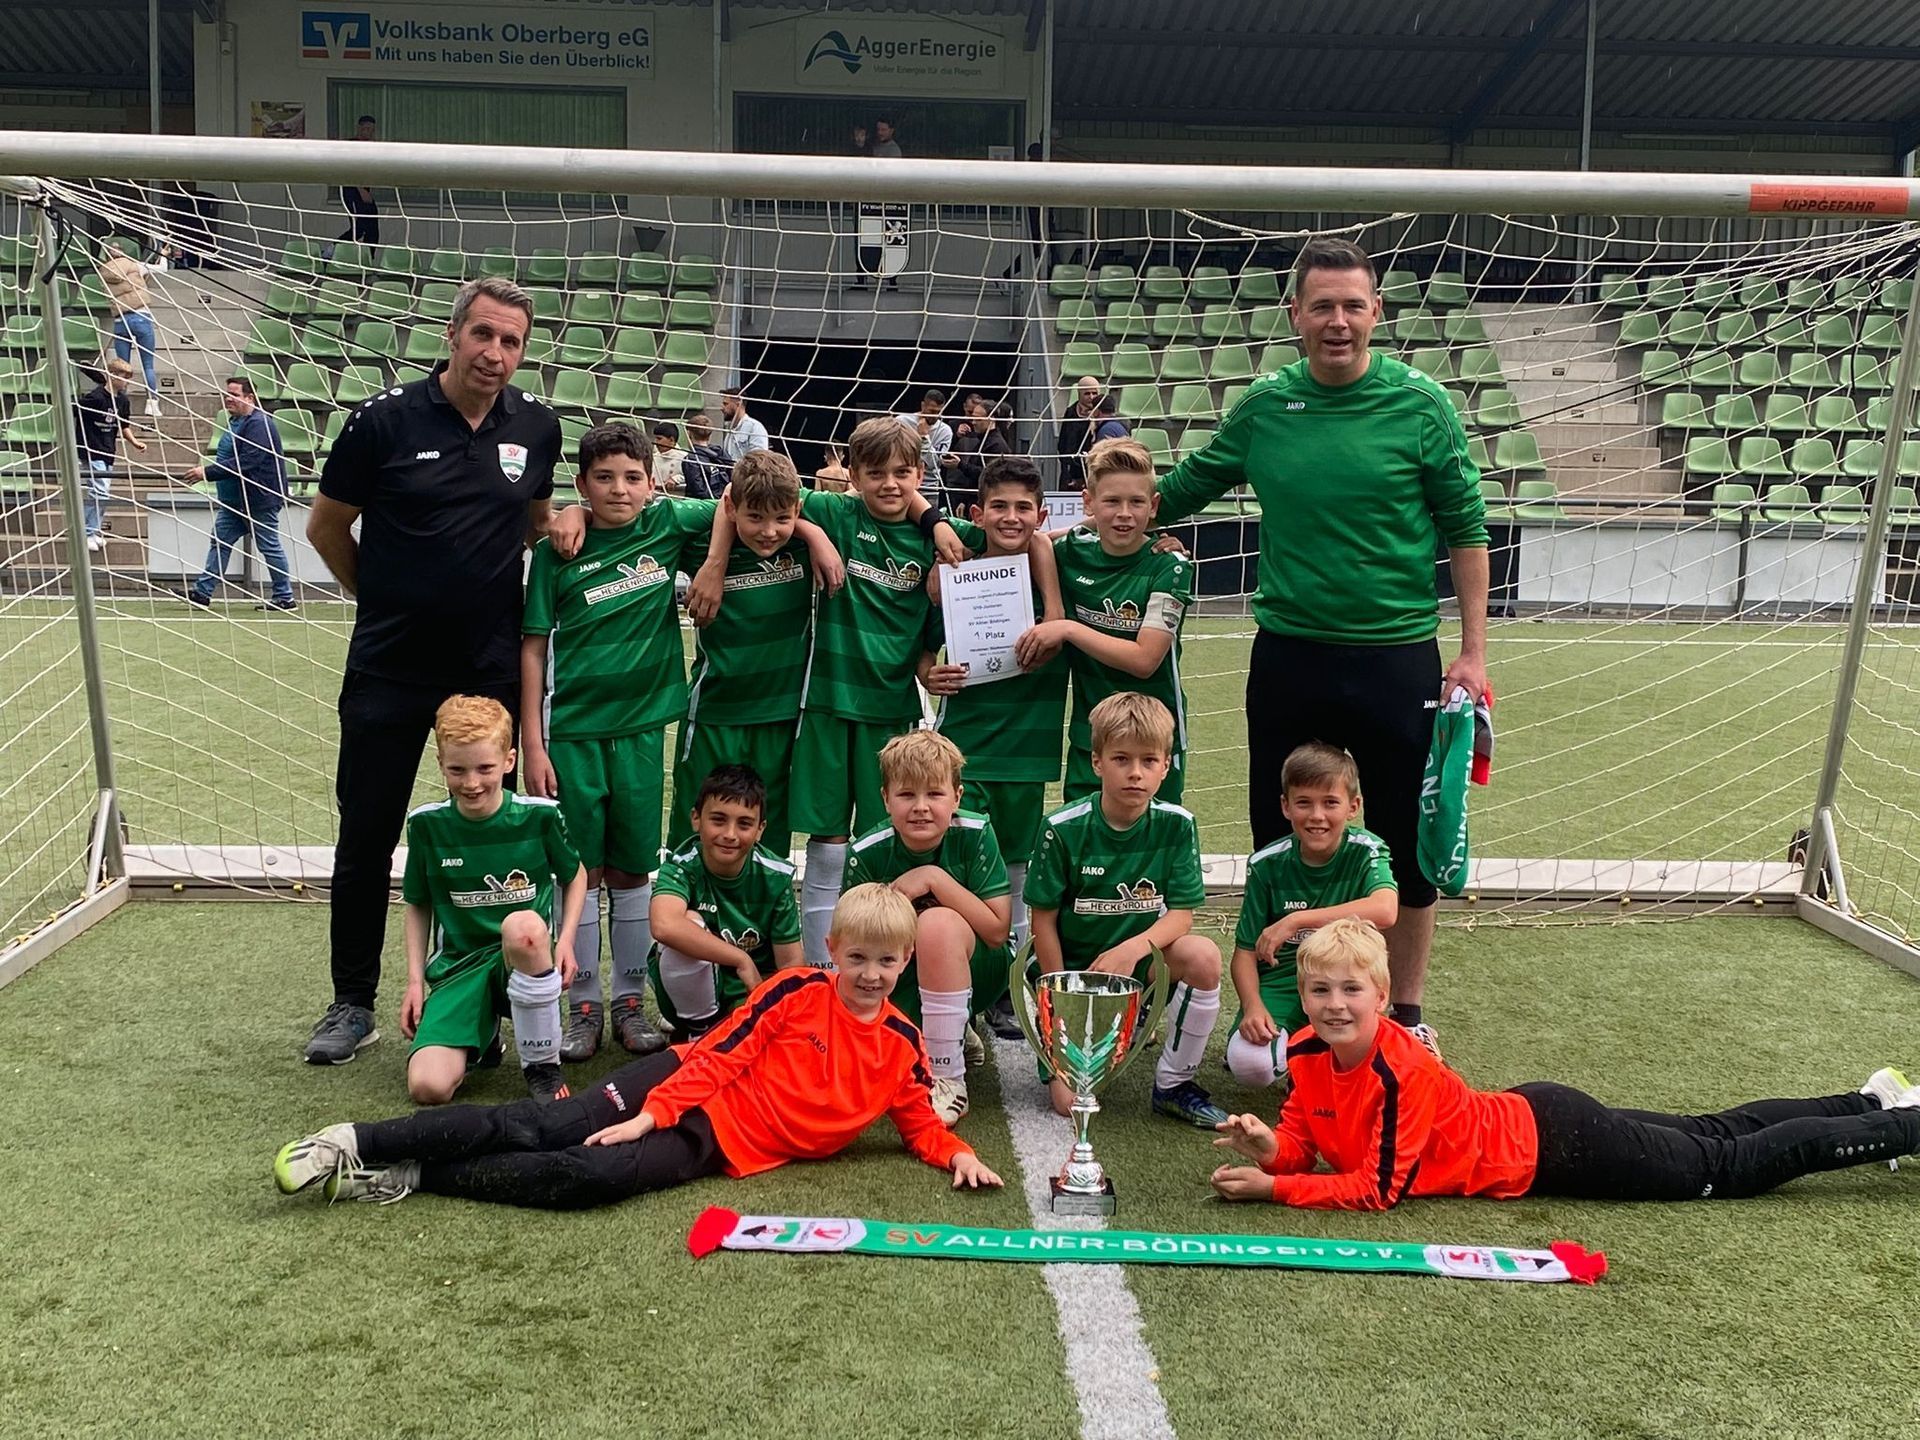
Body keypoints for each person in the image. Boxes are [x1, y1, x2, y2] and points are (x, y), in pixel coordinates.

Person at [1154, 236, 1489, 1052]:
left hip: (1396, 656)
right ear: (1296, 315)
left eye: (1352, 306)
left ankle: (1405, 1015)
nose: (1338, 321)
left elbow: (1466, 527)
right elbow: (1182, 488)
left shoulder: (1422, 404)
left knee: (1407, 846)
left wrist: (1473, 652)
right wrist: (1076, 525)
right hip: (1291, 655)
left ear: (1377, 312)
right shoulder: (1267, 405)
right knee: (1281, 841)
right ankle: (1287, 1012)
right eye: (1322, 307)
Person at [271, 885, 1005, 1209]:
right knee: (550, 1125)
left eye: (887, 962)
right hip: (683, 1084)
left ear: (906, 962)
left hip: (722, 1142)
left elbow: (918, 1121)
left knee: (591, 1177)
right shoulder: (794, 991)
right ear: (834, 950)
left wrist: (958, 1156)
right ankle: (351, 1141)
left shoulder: (903, 1044)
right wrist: (651, 1114)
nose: (871, 974)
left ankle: (412, 1176)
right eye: (858, 958)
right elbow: (719, 1056)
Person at [1208, 918, 1920, 1209]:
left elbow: (1376, 1189)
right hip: (1537, 1116)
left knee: (1726, 1165)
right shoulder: (1305, 1051)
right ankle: (1871, 1101)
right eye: (1320, 991)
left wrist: (1274, 1190)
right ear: (1303, 995)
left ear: (1383, 997)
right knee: (1714, 1131)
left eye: (1351, 990)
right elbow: (1309, 1139)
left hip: (1558, 1146)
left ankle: (1905, 1125)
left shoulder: (1401, 1068)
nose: (1334, 1005)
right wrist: (1271, 1149)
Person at [303, 276, 561, 1066]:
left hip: (486, 671)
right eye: (482, 334)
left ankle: (481, 997)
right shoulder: (382, 421)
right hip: (389, 668)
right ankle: (352, 1003)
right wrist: (382, 599)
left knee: (492, 836)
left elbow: (534, 524)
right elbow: (325, 529)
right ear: (452, 335)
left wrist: (570, 522)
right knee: (368, 833)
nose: (494, 353)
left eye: (510, 341)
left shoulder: (538, 427)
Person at [520, 422, 734, 1063]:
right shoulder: (557, 553)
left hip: (641, 730)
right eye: (604, 478)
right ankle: (583, 1003)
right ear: (582, 484)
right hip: (571, 734)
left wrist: (712, 567)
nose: (619, 489)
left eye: (633, 477)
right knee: (580, 869)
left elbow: (736, 502)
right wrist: (533, 744)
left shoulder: (666, 525)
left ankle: (629, 1002)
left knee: (634, 867)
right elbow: (533, 649)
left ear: (653, 484)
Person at [723, 415, 964, 969]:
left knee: (883, 841)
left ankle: (884, 963)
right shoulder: (836, 514)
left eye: (902, 472)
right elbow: (745, 499)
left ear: (920, 474)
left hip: (893, 714)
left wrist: (935, 523)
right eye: (874, 473)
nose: (889, 484)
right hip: (827, 706)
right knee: (828, 841)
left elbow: (1011, 539)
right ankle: (819, 969)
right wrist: (813, 536)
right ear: (851, 475)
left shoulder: (938, 540)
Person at [1024, 692, 1228, 1129]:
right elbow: (1043, 921)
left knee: (1203, 956)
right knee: (1068, 1101)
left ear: (1166, 765)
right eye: (1121, 759)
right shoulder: (1062, 828)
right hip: (1077, 972)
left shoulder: (1177, 824)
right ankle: (1094, 1026)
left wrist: (1130, 951)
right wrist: (1061, 998)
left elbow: (1182, 915)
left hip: (1139, 967)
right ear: (1097, 762)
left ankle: (1174, 1084)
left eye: (1148, 761)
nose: (1136, 772)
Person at [922, 455, 1068, 1019]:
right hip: (964, 749)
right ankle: (961, 979)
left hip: (1027, 753)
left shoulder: (1057, 570)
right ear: (976, 514)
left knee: (1016, 872)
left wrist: (1165, 542)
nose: (1011, 517)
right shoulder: (954, 577)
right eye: (999, 507)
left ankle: (1008, 981)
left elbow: (1095, 538)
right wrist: (928, 674)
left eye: (1023, 508)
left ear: (1041, 515)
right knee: (961, 872)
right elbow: (923, 648)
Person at [396, 696, 585, 1106]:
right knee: (428, 1087)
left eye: (484, 768)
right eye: (457, 770)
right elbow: (418, 903)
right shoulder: (427, 825)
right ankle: (483, 1039)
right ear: (441, 764)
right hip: (460, 967)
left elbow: (576, 875)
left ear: (509, 761)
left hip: (522, 958)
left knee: (524, 928)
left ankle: (542, 1065)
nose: (472, 783)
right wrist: (413, 982)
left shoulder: (540, 817)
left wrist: (567, 940)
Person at [841, 731, 1011, 1125]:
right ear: (885, 799)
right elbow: (855, 946)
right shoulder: (866, 852)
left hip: (982, 968)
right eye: (906, 795)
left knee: (936, 924)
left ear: (957, 796)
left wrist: (935, 879)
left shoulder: (975, 833)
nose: (921, 807)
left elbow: (997, 930)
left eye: (934, 794)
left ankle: (946, 1076)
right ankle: (948, 1028)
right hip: (897, 972)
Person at [1018, 436, 1194, 805]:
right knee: (1083, 832)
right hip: (1092, 737)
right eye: (1112, 501)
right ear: (1089, 502)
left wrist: (1067, 627)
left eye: (1136, 502)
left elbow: (1145, 660)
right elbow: (1032, 542)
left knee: (1151, 835)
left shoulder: (1169, 566)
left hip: (1153, 741)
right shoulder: (1071, 551)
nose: (1124, 513)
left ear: (1153, 505)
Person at [668, 450, 822, 863]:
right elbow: (639, 517)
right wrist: (715, 561)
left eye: (781, 519)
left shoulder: (803, 537)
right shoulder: (700, 539)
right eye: (754, 518)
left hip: (782, 715)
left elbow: (865, 505)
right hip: (714, 712)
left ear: (797, 510)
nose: (769, 531)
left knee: (765, 837)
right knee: (695, 832)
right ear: (734, 510)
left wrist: (814, 536)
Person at [1225, 743, 1397, 1090]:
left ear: (1353, 807)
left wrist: (1297, 919)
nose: (1317, 815)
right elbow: (1244, 952)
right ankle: (1299, 1058)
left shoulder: (1366, 850)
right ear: (1286, 806)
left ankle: (1320, 1060)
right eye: (1304, 803)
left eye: (1330, 803)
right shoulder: (1266, 864)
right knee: (1249, 1065)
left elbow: (1385, 909)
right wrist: (1253, 1006)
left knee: (1370, 1069)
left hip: (1344, 981)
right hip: (1282, 982)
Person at [649, 765, 803, 1040]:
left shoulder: (776, 877)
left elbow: (791, 964)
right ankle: (699, 1033)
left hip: (752, 990)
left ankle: (736, 1029)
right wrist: (740, 958)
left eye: (744, 824)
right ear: (696, 819)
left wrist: (770, 1006)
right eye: (718, 820)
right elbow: (664, 925)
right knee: (687, 922)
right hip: (692, 996)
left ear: (760, 829)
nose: (730, 834)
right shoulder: (682, 865)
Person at [185, 376, 295, 612]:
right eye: (227, 394)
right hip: (235, 500)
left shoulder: (259, 424)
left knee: (269, 546)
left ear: (249, 398)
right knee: (220, 541)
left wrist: (207, 472)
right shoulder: (236, 421)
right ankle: (202, 593)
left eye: (234, 394)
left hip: (257, 499)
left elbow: (248, 461)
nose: (228, 398)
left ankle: (285, 597)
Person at [72, 358, 147, 554]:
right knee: (100, 492)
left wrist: (135, 442)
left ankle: (94, 530)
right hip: (91, 450)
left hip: (108, 451)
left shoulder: (123, 400)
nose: (127, 382)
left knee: (102, 494)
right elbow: (74, 410)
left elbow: (124, 425)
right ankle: (86, 532)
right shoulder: (95, 398)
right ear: (112, 376)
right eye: (124, 377)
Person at [96, 240, 163, 417]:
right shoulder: (135, 265)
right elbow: (162, 268)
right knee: (147, 364)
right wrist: (163, 255)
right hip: (141, 317)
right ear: (123, 252)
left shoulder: (103, 272)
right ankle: (152, 404)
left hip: (120, 320)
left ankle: (120, 404)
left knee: (122, 367)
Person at [338, 115, 380, 250]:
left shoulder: (371, 147)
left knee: (372, 229)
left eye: (371, 130)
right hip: (353, 190)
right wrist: (361, 189)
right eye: (366, 129)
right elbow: (348, 169)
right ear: (359, 128)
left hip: (365, 191)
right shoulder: (352, 146)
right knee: (359, 228)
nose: (369, 133)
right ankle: (330, 251)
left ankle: (369, 257)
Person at [1054, 377, 1103, 488]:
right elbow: (1063, 442)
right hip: (1071, 470)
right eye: (1087, 394)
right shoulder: (1071, 412)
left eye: (1094, 393)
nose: (1091, 397)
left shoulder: (1101, 415)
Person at [897, 389, 952, 482]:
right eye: (932, 411)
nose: (935, 416)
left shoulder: (945, 431)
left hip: (929, 483)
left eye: (939, 412)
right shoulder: (902, 422)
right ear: (923, 406)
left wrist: (924, 437)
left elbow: (934, 464)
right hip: (902, 478)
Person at [681, 413, 732, 500]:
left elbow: (697, 490)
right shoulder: (720, 452)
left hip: (700, 504)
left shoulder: (690, 459)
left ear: (689, 434)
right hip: (723, 500)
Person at [719, 387, 770, 462]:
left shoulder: (754, 427)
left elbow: (759, 460)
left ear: (738, 404)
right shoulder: (729, 428)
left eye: (725, 404)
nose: (721, 408)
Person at [650, 420, 686, 495]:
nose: (655, 442)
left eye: (659, 439)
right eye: (655, 438)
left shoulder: (685, 458)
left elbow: (694, 478)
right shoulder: (653, 457)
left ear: (671, 440)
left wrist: (676, 479)